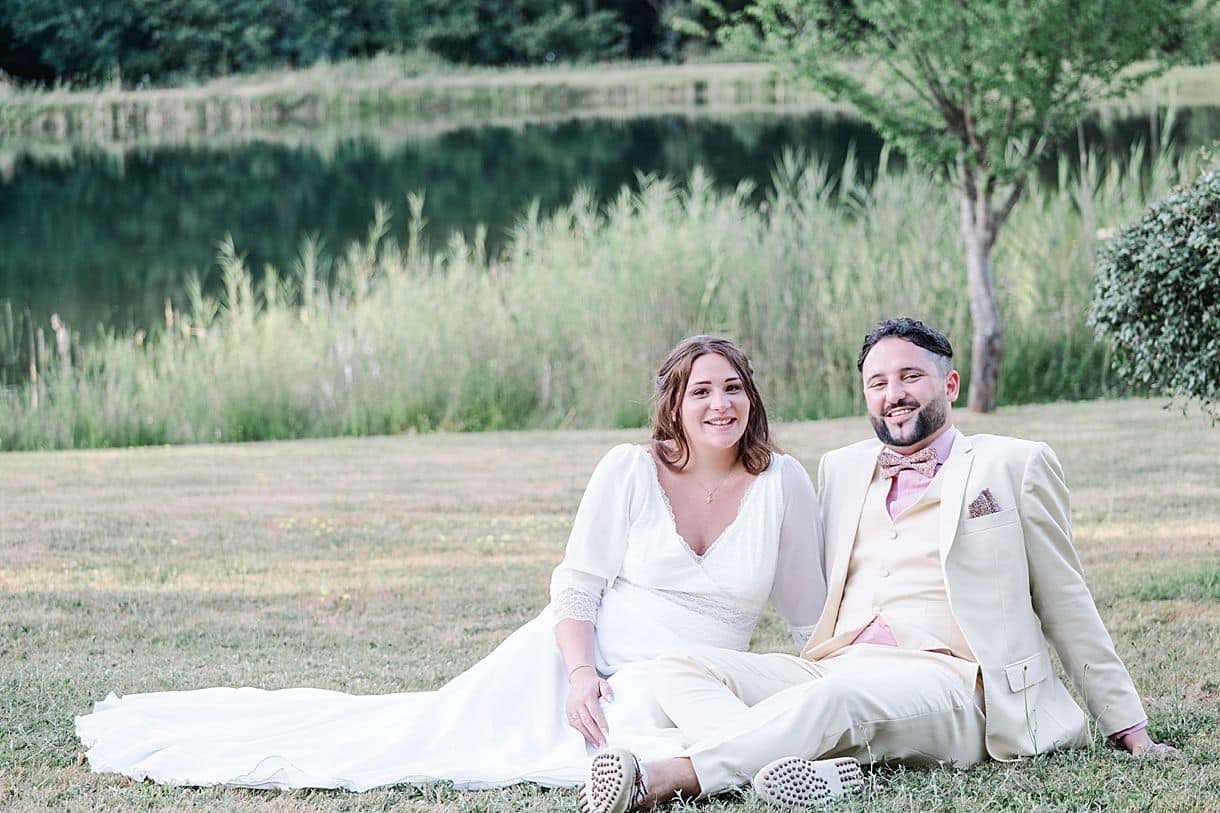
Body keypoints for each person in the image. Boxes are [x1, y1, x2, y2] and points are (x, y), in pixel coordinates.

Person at [76, 335, 827, 791]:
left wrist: (837, 674)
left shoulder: (782, 484)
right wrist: (577, 677)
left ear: (751, 399)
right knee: (427, 736)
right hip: (583, 662)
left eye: (734, 388)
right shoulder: (630, 470)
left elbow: (805, 611)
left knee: (691, 736)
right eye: (702, 390)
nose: (720, 403)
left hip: (692, 678)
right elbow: (578, 586)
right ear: (676, 403)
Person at [578, 318, 1173, 813]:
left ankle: (663, 778)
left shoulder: (1014, 466)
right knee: (678, 668)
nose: (895, 394)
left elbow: (1067, 600)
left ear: (951, 384)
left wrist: (1128, 727)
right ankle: (815, 772)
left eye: (911, 376)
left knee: (832, 704)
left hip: (956, 679)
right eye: (878, 382)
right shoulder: (840, 469)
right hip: (841, 661)